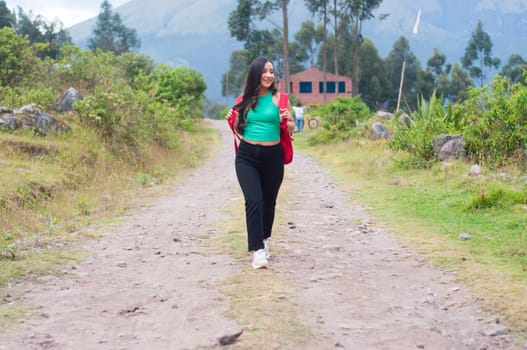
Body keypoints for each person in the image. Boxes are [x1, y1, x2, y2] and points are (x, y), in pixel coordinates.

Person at [225, 56, 294, 269]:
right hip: (247, 156)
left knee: (268, 203)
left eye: (272, 71)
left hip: (273, 157)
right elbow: (240, 129)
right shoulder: (244, 99)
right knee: (253, 200)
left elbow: (291, 128)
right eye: (264, 71)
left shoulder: (281, 99)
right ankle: (258, 251)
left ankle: (264, 238)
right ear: (256, 74)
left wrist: (289, 121)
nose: (269, 75)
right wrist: (234, 122)